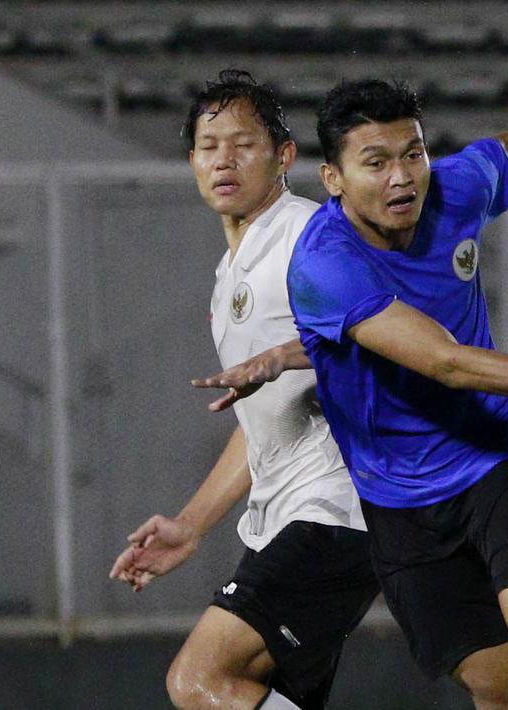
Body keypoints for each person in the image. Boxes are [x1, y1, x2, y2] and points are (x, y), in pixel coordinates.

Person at [197, 79, 508, 710]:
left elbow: (504, 152)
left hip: (491, 457)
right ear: (333, 178)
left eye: (413, 153)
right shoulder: (323, 261)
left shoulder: (452, 188)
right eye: (375, 163)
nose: (402, 178)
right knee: (501, 691)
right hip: (398, 503)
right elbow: (442, 361)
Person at [108, 70, 378, 710]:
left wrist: (291, 354)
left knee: (197, 681)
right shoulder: (233, 268)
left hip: (338, 512)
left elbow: (386, 339)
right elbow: (264, 421)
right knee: (246, 694)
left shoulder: (308, 239)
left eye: (243, 143)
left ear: (284, 155)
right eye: (208, 146)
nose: (223, 159)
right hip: (287, 519)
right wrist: (191, 524)